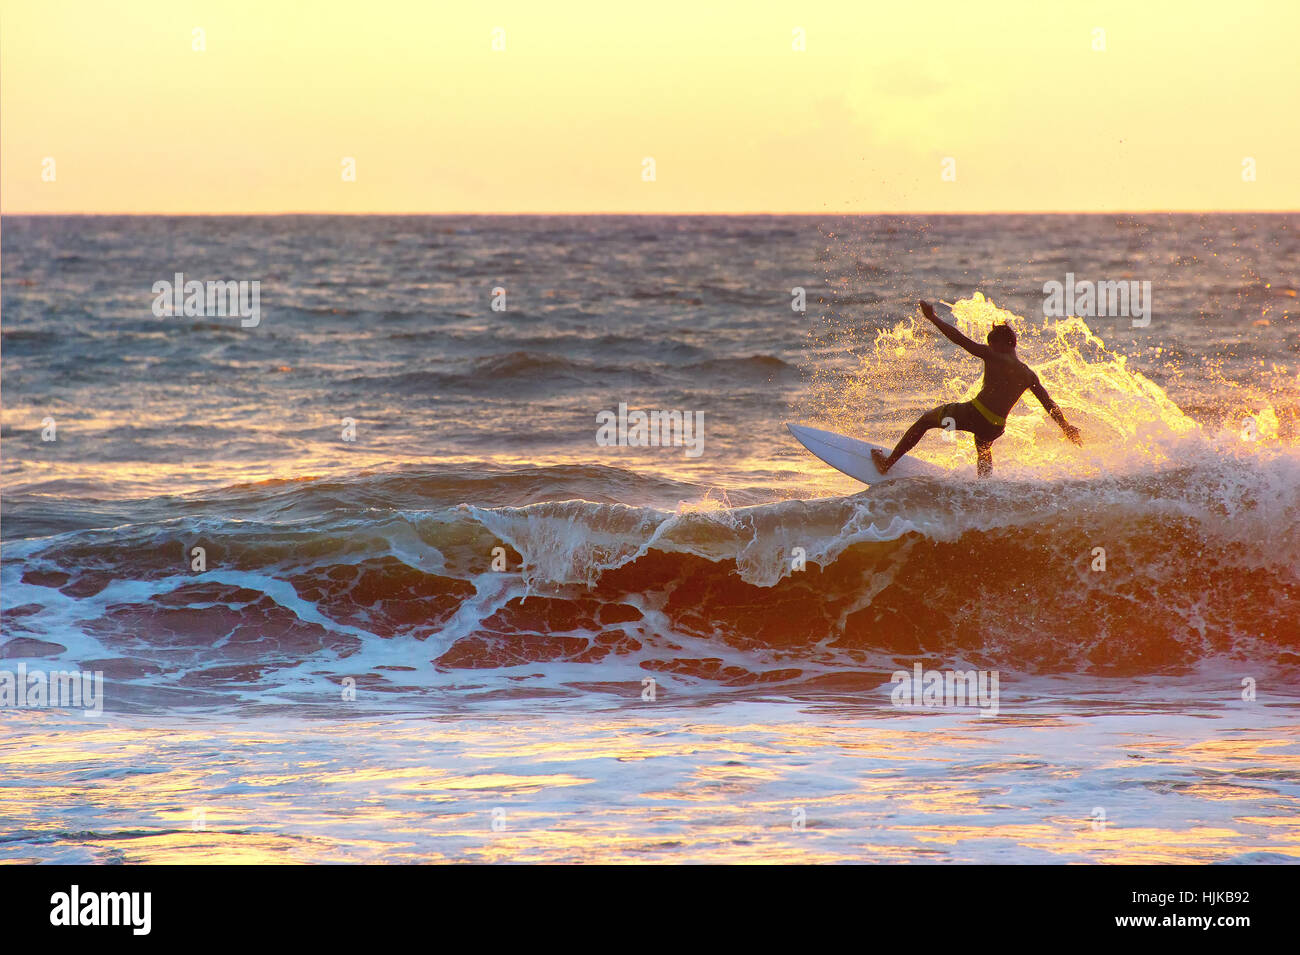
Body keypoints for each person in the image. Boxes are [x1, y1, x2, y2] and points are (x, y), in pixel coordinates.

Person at [872, 301, 1082, 478]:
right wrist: (1066, 427)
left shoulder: (994, 355)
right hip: (995, 425)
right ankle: (985, 489)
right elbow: (1049, 404)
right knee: (983, 448)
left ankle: (887, 464)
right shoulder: (1029, 374)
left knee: (926, 420)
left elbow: (960, 339)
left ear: (998, 343)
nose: (988, 348)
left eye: (990, 344)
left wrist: (933, 318)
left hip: (975, 414)